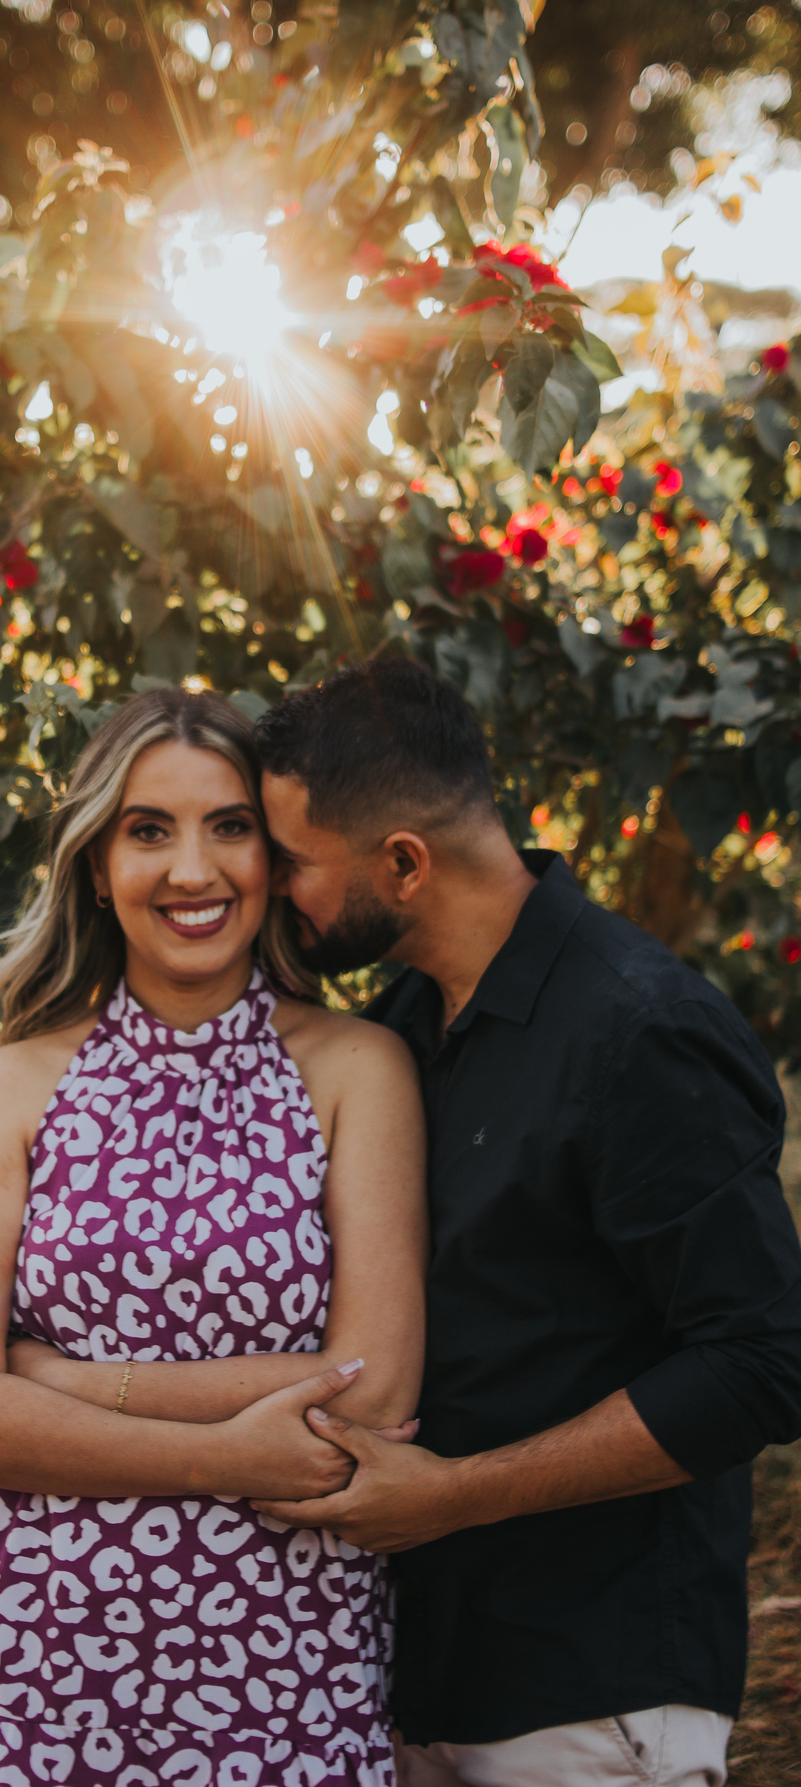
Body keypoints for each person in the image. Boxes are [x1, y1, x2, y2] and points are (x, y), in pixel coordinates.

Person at [251, 655, 801, 1787]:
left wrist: (454, 1497)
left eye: (292, 862)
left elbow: (762, 1362)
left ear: (403, 863)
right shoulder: (396, 1030)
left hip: (593, 1696)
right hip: (422, 1680)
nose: (270, 889)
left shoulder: (640, 1031)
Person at [0, 686, 428, 1787]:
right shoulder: (17, 1084)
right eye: (149, 831)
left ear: (274, 857)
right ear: (98, 866)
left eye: (229, 827)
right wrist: (226, 1454)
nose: (194, 871)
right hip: (25, 1681)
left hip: (284, 1672)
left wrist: (59, 1383)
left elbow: (369, 1398)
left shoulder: (356, 1069)